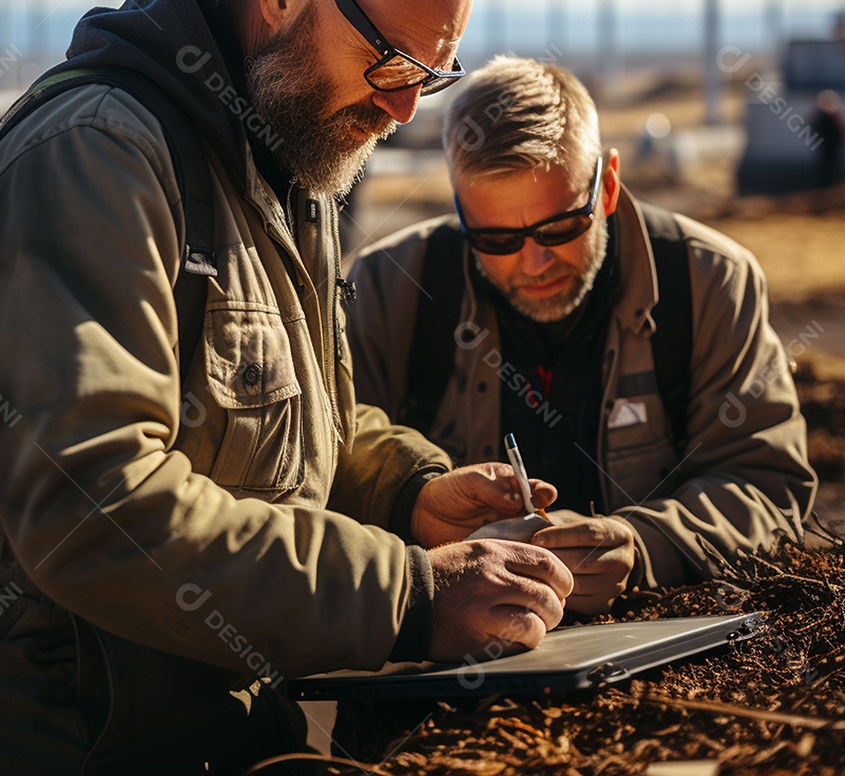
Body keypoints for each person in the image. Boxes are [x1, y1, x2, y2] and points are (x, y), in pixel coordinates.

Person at [0, 0, 573, 775]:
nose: (400, 109)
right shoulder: (95, 159)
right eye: (389, 62)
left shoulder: (287, 150)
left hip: (230, 688)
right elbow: (92, 507)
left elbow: (302, 426)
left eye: (429, 76)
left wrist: (411, 495)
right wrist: (409, 597)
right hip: (97, 717)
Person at [347, 55, 816, 617]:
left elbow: (768, 485)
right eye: (496, 240)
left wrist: (644, 548)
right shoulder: (388, 288)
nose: (534, 262)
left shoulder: (709, 283)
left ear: (608, 186)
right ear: (461, 214)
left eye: (561, 227)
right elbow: (331, 476)